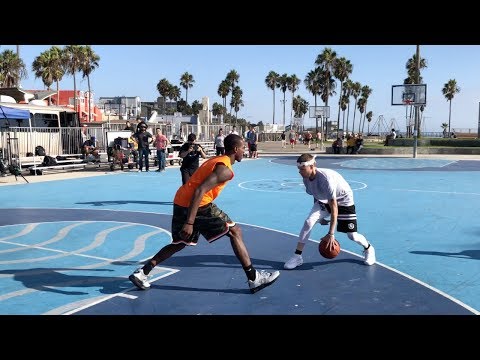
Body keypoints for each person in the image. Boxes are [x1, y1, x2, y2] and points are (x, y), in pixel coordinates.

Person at [129, 134, 280, 293]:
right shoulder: (225, 170)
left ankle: (142, 272)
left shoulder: (215, 160)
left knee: (180, 242)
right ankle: (254, 278)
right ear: (235, 149)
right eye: (243, 148)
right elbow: (200, 191)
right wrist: (189, 222)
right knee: (235, 231)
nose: (245, 150)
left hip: (181, 200)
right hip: (198, 204)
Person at [283, 153, 376, 270]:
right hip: (324, 201)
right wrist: (319, 217)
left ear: (312, 167)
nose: (299, 172)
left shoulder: (326, 179)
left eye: (302, 169)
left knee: (352, 236)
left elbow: (334, 206)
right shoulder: (306, 178)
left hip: (343, 201)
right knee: (308, 222)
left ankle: (369, 249)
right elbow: (315, 194)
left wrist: (331, 234)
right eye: (298, 169)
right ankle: (297, 257)